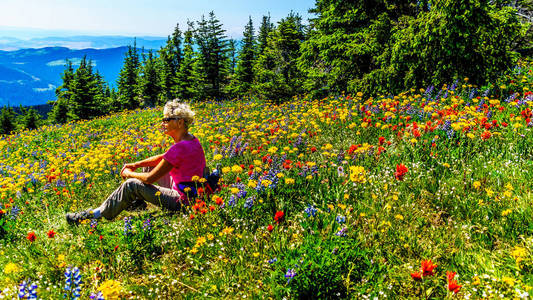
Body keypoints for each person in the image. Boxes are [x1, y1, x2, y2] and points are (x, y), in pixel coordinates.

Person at [66, 100, 207, 224]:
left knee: (132, 184)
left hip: (184, 201)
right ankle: (136, 202)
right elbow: (164, 157)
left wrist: (129, 173)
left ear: (180, 122)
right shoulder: (191, 140)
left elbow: (150, 178)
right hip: (193, 194)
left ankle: (94, 215)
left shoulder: (179, 148)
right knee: (147, 167)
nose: (163, 123)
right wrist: (136, 165)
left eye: (166, 119)